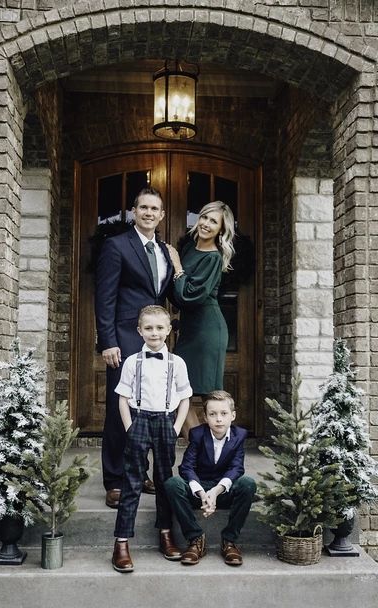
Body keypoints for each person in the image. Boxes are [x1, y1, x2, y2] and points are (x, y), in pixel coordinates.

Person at [95, 188, 173, 508]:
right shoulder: (116, 246)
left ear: (162, 215)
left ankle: (139, 473)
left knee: (147, 408)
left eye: (155, 208)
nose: (149, 213)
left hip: (154, 339)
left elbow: (165, 293)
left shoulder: (164, 251)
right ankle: (115, 479)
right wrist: (108, 341)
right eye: (143, 207)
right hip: (124, 338)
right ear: (133, 211)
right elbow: (105, 297)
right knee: (119, 408)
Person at [112, 305, 192, 573]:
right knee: (133, 481)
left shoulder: (177, 363)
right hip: (140, 421)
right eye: (148, 328)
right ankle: (121, 543)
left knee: (164, 480)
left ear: (168, 330)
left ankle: (166, 534)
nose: (154, 333)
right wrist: (129, 427)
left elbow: (184, 397)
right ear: (139, 331)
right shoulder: (132, 362)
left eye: (160, 328)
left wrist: (176, 427)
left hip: (165, 422)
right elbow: (122, 398)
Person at [166, 201, 235, 435]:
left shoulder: (213, 258)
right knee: (177, 390)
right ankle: (199, 450)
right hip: (190, 330)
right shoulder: (190, 248)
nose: (206, 223)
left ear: (221, 230)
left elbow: (189, 295)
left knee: (212, 397)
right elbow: (178, 294)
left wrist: (176, 264)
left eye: (213, 221)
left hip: (208, 331)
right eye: (204, 217)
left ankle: (216, 455)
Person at [165, 390, 256, 566]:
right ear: (205, 417)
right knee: (172, 483)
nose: (219, 419)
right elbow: (187, 467)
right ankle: (196, 538)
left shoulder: (239, 436)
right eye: (212, 414)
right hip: (199, 490)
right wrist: (201, 493)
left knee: (248, 484)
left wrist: (215, 492)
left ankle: (229, 540)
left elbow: (237, 468)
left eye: (224, 414)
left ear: (233, 415)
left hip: (222, 491)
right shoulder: (198, 434)